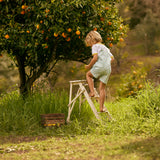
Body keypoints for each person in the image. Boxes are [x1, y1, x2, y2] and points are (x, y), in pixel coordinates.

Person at [85, 30, 114, 112]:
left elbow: (95, 58)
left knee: (88, 75)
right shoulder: (105, 47)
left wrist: (89, 66)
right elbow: (112, 58)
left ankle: (92, 92)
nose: (90, 45)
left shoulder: (95, 46)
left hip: (100, 66)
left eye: (89, 43)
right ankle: (101, 108)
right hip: (108, 68)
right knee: (102, 88)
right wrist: (106, 64)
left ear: (92, 40)